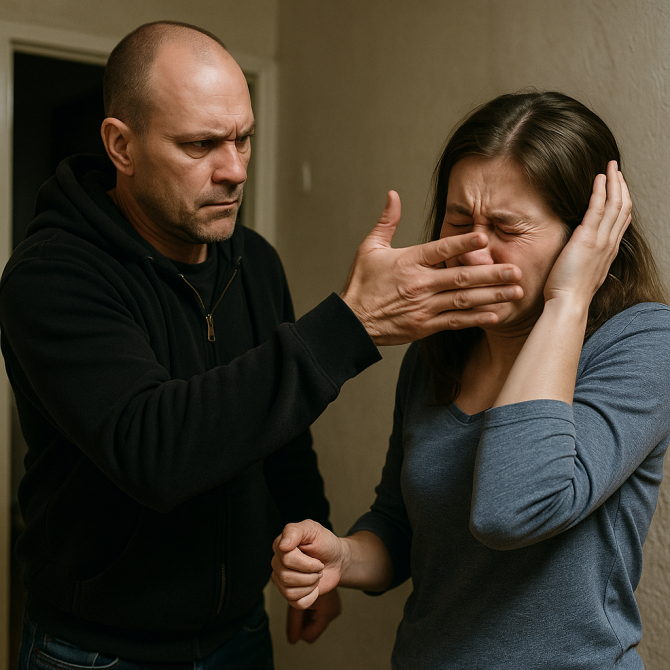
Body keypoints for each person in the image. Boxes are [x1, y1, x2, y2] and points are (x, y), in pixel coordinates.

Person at [0, 21, 526, 669]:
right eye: (200, 144)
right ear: (121, 146)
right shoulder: (52, 276)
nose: (234, 170)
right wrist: (350, 325)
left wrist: (312, 543)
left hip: (239, 634)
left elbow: (282, 437)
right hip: (97, 651)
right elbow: (154, 453)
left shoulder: (253, 260)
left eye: (243, 138)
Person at [271, 91, 670, 669]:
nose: (474, 250)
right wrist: (343, 557)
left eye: (507, 227)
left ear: (586, 234)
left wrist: (568, 299)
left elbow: (514, 508)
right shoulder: (438, 350)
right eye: (459, 221)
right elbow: (400, 524)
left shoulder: (641, 343)